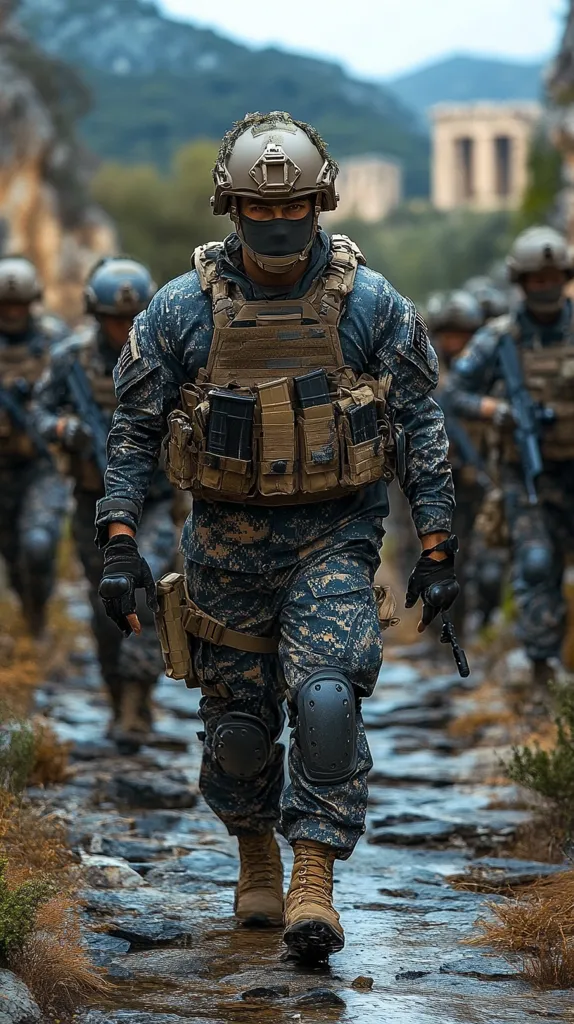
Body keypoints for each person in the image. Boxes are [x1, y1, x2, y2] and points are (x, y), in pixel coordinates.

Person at [94, 112, 456, 960]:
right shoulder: (181, 311)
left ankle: (313, 882)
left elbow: (420, 425)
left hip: (335, 537)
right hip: (224, 548)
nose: (279, 223)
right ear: (232, 208)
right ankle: (255, 853)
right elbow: (134, 430)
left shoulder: (371, 305)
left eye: (293, 207)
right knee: (239, 732)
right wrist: (119, 539)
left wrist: (438, 546)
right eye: (260, 208)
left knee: (327, 701)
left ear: (320, 204)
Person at [34, 257, 177, 752]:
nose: (124, 328)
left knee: (143, 589)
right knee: (105, 606)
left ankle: (138, 703)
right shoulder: (70, 359)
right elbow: (39, 410)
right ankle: (118, 698)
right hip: (93, 505)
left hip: (155, 501)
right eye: (115, 319)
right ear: (97, 316)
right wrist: (63, 428)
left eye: (133, 318)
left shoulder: (167, 356)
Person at [447, 226, 574, 687]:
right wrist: (495, 410)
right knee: (537, 563)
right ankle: (542, 669)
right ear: (521, 282)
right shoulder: (499, 338)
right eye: (536, 280)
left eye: (552, 278)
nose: (545, 287)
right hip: (527, 475)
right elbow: (454, 392)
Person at [427, 289, 504, 635]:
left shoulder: (489, 374)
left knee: (487, 563)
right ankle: (446, 634)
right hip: (443, 482)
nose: (455, 343)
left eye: (462, 335)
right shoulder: (429, 373)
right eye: (449, 335)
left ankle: (484, 626)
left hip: (485, 477)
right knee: (443, 560)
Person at [0, 256, 69, 636]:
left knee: (38, 543)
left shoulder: (54, 341)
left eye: (19, 305)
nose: (12, 312)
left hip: (41, 463)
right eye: (5, 305)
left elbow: (75, 395)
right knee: (12, 552)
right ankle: (26, 607)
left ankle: (38, 609)